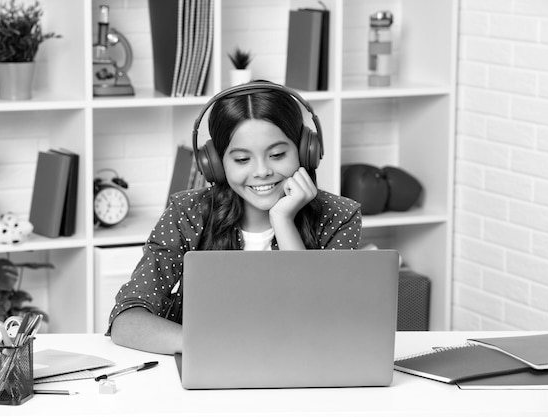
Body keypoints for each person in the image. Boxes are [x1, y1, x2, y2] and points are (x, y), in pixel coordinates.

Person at [108, 81, 362, 354]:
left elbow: (324, 323)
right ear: (215, 163)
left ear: (305, 151)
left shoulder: (340, 216)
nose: (262, 171)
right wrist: (225, 349)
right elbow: (127, 321)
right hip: (209, 367)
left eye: (277, 154)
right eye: (242, 160)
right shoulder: (187, 214)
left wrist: (283, 221)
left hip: (304, 367)